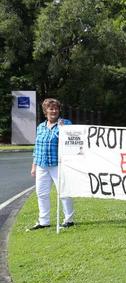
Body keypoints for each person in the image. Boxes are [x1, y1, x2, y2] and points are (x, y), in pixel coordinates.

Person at [30, 98, 75, 230]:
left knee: (64, 192)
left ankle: (69, 220)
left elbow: (72, 141)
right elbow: (37, 147)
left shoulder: (65, 124)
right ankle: (44, 221)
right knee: (41, 193)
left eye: (56, 108)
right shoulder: (40, 127)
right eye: (51, 109)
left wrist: (64, 129)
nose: (54, 111)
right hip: (41, 165)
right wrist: (34, 166)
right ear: (46, 111)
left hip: (58, 165)